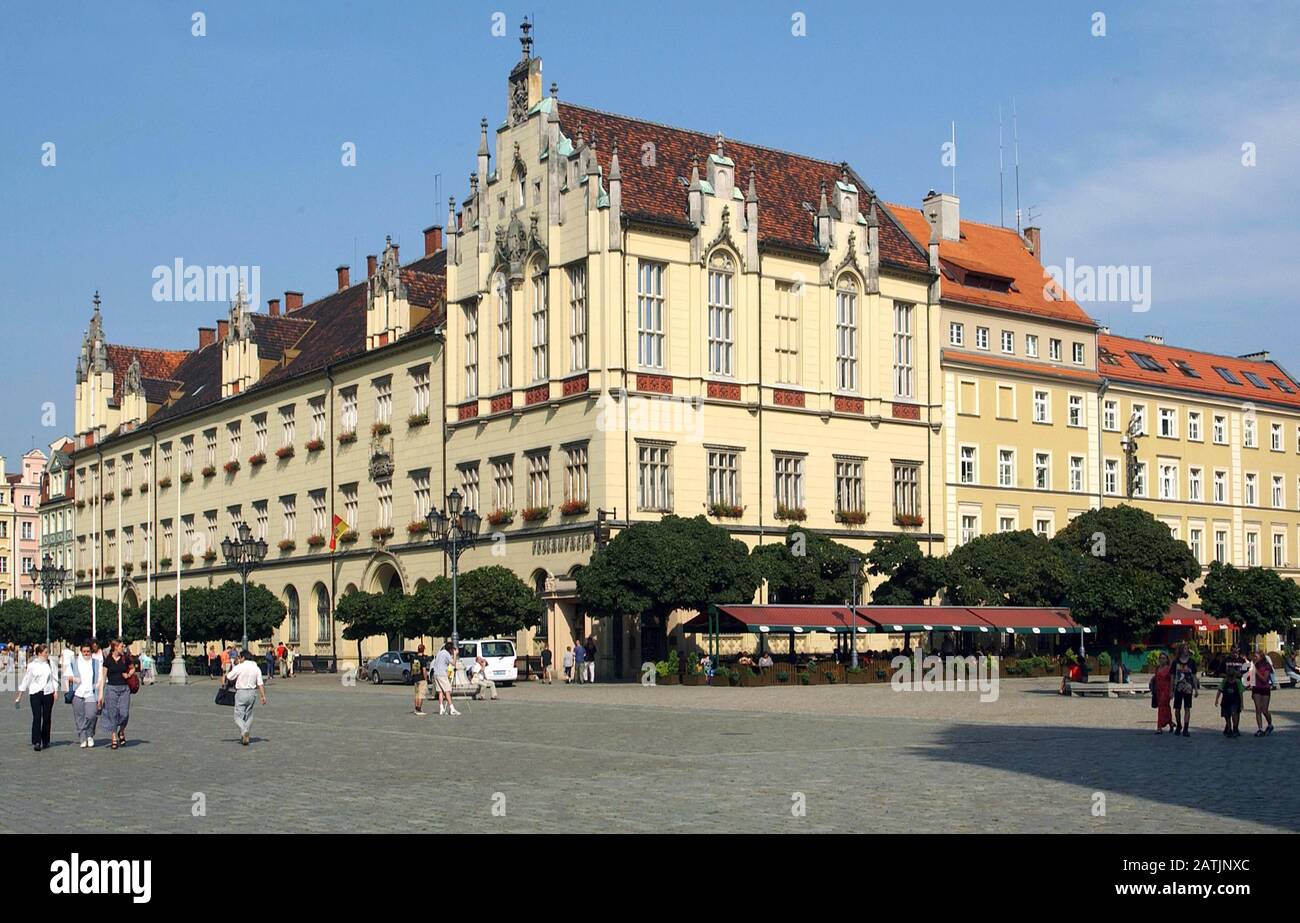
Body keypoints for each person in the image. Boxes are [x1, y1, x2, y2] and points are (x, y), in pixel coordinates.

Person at [14, 643, 57, 751]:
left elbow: (54, 678)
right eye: (46, 652)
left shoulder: (51, 663)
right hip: (35, 693)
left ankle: (46, 740)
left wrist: (55, 691)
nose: (48, 654)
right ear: (39, 653)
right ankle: (36, 741)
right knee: (37, 717)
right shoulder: (32, 665)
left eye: (48, 652)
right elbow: (26, 680)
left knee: (47, 717)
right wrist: (19, 695)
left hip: (48, 693)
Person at [96, 639, 135, 750]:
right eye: (121, 646)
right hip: (111, 689)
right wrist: (100, 695)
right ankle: (114, 737)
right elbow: (103, 678)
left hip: (124, 689)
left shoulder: (125, 658)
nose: (123, 648)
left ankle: (121, 731)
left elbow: (133, 668)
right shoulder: (107, 660)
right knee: (112, 714)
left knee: (124, 713)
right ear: (115, 647)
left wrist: (128, 674)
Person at [226, 649, 267, 746]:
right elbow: (260, 683)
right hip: (252, 693)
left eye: (240, 657)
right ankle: (245, 733)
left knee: (237, 716)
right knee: (249, 715)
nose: (239, 659)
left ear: (243, 657)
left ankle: (244, 730)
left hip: (241, 692)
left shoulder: (240, 667)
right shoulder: (256, 668)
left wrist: (234, 666)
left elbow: (229, 676)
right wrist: (263, 696)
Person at [66, 642, 100, 748]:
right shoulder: (74, 662)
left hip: (91, 693)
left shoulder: (96, 663)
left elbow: (100, 678)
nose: (86, 653)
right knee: (79, 717)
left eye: (88, 651)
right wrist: (74, 679)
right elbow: (67, 675)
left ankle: (90, 735)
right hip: (77, 693)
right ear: (80, 652)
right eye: (84, 651)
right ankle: (82, 738)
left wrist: (99, 693)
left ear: (91, 651)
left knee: (91, 715)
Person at [1169, 645, 1198, 737]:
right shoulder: (1175, 662)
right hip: (1178, 687)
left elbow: (1194, 676)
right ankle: (1179, 725)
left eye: (1187, 649)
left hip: (1188, 688)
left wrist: (1196, 689)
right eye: (1185, 649)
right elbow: (1172, 676)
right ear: (1181, 650)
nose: (1187, 650)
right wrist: (1171, 690)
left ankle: (1186, 728)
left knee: (1187, 708)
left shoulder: (1191, 662)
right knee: (1177, 709)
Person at [1246, 652, 1274, 736]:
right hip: (1256, 688)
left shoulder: (1266, 666)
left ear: (1261, 657)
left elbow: (1264, 679)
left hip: (1265, 689)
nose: (1254, 658)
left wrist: (1255, 671)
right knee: (1258, 709)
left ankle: (1270, 724)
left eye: (1256, 656)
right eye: (1253, 656)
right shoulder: (1253, 666)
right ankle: (1260, 729)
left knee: (1264, 710)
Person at [1215, 666, 1245, 737]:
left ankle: (1235, 728)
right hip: (1225, 702)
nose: (1230, 678)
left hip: (1235, 701)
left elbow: (1241, 693)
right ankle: (1229, 729)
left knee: (1235, 714)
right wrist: (1216, 699)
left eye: (1232, 676)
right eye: (1229, 676)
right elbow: (1219, 690)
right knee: (1227, 716)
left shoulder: (1237, 682)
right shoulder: (1224, 681)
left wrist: (1241, 703)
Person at [432, 641, 459, 716]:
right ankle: (452, 709)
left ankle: (441, 709)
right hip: (442, 674)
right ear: (450, 649)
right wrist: (455, 654)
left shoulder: (440, 652)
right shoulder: (446, 654)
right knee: (447, 691)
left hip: (436, 673)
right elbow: (453, 663)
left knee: (440, 691)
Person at [1150, 652, 1174, 734]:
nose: (1162, 660)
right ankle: (1170, 723)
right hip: (1158, 690)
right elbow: (1156, 678)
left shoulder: (1169, 669)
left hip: (1166, 690)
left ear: (1167, 659)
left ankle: (1159, 727)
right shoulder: (1157, 668)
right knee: (1166, 708)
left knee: (1161, 707)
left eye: (1164, 658)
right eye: (1160, 658)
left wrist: (1171, 691)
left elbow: (1171, 681)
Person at [411, 644, 428, 716]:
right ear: (423, 650)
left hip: (415, 678)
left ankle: (416, 708)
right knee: (421, 694)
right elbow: (424, 670)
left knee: (416, 694)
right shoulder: (423, 659)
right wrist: (426, 678)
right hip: (421, 678)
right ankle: (419, 708)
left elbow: (411, 669)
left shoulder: (413, 658)